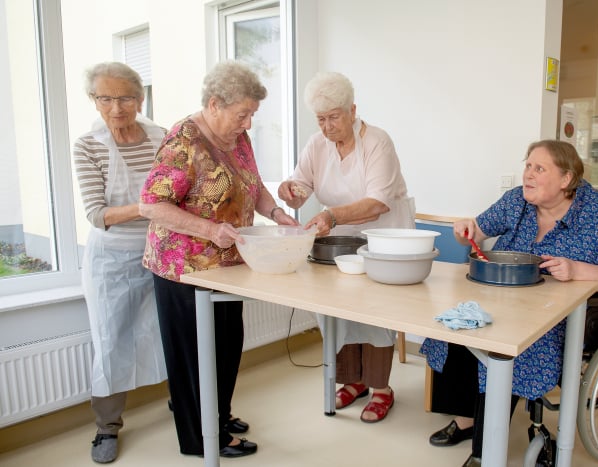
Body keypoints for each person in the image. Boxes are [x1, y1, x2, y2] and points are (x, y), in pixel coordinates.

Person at [422, 139, 598, 466]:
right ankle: (466, 419)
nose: (528, 174)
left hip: (555, 315)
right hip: (501, 297)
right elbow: (477, 231)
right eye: (527, 166)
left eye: (539, 168)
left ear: (566, 178)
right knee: (457, 325)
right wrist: (465, 230)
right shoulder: (517, 201)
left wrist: (577, 269)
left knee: (508, 346)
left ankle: (484, 451)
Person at [139, 60, 298, 458]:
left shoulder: (237, 138)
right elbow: (151, 205)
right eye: (242, 114)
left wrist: (276, 213)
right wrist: (210, 230)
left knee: (226, 346)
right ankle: (201, 439)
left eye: (252, 115)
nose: (248, 123)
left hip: (228, 266)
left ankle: (219, 416)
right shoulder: (184, 140)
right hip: (184, 269)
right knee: (195, 356)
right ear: (214, 104)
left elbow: (253, 185)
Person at [278, 71, 415, 423]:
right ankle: (353, 381)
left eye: (334, 117)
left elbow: (378, 203)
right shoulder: (317, 145)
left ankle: (381, 389)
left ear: (352, 111)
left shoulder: (377, 142)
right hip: (339, 240)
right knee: (337, 310)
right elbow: (301, 186)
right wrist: (289, 190)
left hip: (382, 238)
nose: (327, 127)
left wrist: (331, 215)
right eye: (320, 119)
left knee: (375, 314)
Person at [72, 62, 169, 463]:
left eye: (125, 98)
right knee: (111, 341)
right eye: (105, 98)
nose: (116, 108)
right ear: (94, 100)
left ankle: (185, 403)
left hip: (162, 250)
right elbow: (98, 215)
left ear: (140, 98)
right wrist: (148, 208)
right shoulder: (87, 146)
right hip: (111, 259)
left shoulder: (162, 137)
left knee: (172, 332)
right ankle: (107, 427)